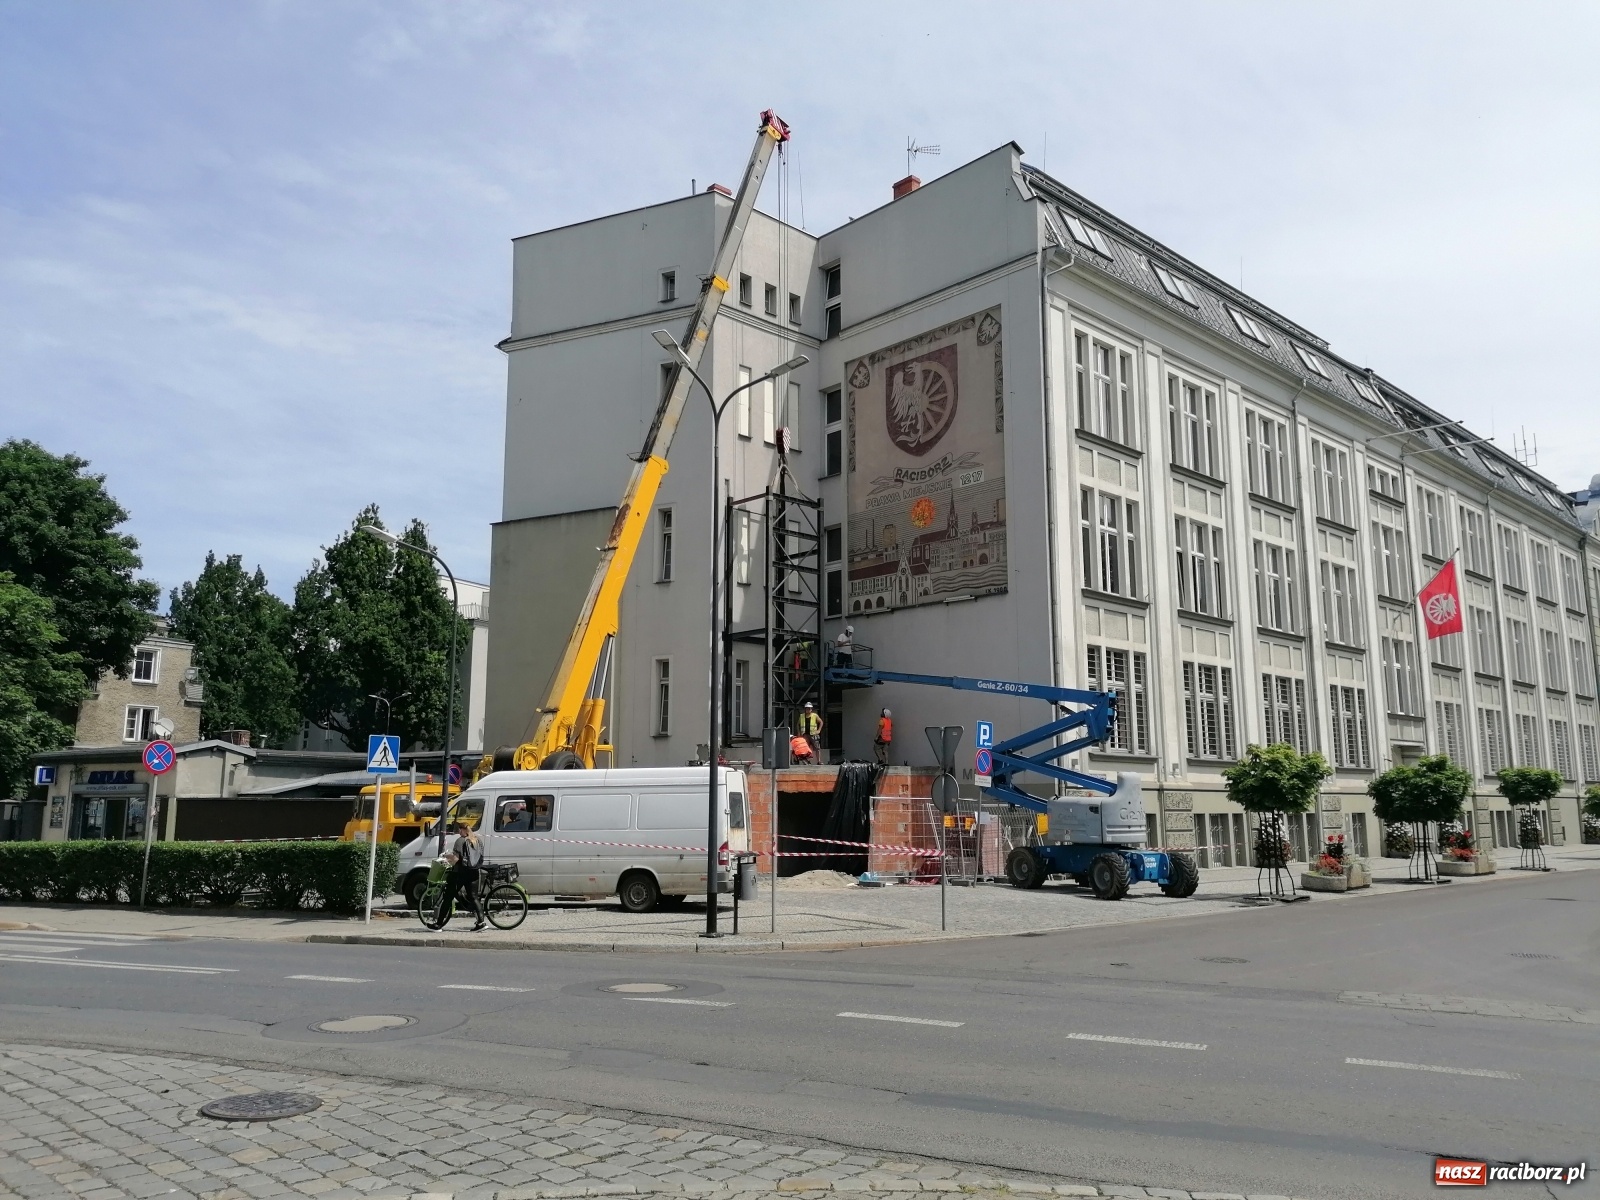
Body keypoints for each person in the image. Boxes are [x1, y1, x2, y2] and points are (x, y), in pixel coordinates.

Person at [445, 819, 487, 931]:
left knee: (448, 896)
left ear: (462, 830)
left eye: (459, 829)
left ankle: (438, 924)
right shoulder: (477, 840)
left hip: (461, 872)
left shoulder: (460, 841)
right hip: (474, 871)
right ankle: (481, 922)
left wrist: (446, 858)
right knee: (474, 897)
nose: (458, 832)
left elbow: (456, 859)